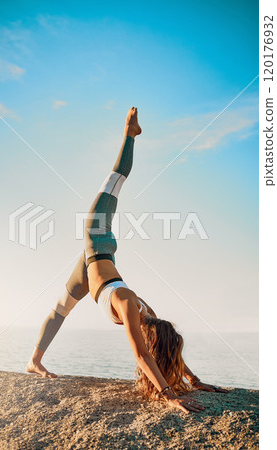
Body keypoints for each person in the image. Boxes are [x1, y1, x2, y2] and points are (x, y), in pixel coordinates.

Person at [27, 107, 227, 414]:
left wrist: (179, 387)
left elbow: (141, 354)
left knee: (59, 310)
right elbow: (150, 354)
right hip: (98, 248)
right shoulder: (141, 309)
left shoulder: (132, 307)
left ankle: (34, 361)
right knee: (115, 180)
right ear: (155, 335)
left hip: (94, 255)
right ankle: (129, 135)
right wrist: (176, 388)